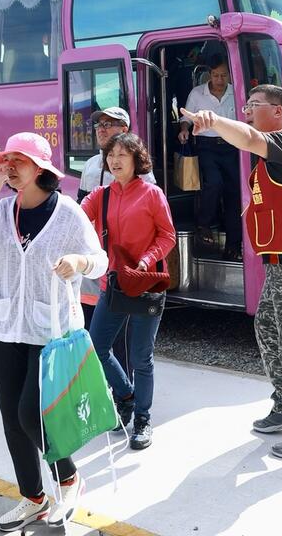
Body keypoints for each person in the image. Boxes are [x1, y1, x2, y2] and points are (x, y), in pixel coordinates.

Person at [0, 132, 108, 530]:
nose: (8, 168)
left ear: (40, 167)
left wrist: (78, 262)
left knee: (31, 414)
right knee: (11, 419)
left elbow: (100, 260)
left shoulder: (69, 214)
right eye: (5, 161)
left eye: (18, 161)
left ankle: (69, 477)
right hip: (5, 327)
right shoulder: (0, 211)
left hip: (51, 332)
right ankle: (33, 497)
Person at [180, 85, 282, 461]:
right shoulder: (272, 155)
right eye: (246, 104)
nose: (247, 110)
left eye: (254, 105)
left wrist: (213, 120)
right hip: (281, 265)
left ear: (278, 112)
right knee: (268, 329)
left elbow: (247, 137)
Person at [81, 133, 175, 451]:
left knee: (141, 357)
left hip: (147, 285)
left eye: (123, 153)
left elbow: (167, 236)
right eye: (111, 154)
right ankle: (126, 396)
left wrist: (147, 260)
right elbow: (75, 220)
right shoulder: (100, 195)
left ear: (137, 160)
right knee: (96, 347)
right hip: (114, 284)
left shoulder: (152, 194)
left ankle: (143, 421)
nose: (115, 159)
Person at [178, 56, 243, 260]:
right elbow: (185, 118)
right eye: (215, 75)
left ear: (229, 75)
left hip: (233, 147)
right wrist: (184, 130)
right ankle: (203, 224)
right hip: (206, 147)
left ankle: (233, 247)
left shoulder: (236, 92)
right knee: (214, 183)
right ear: (209, 75)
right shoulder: (198, 93)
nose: (219, 79)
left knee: (234, 195)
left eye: (223, 75)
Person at [77, 107, 156, 201]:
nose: (100, 130)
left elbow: (150, 198)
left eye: (107, 124)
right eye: (98, 125)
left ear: (124, 130)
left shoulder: (136, 161)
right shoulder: (90, 164)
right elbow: (81, 200)